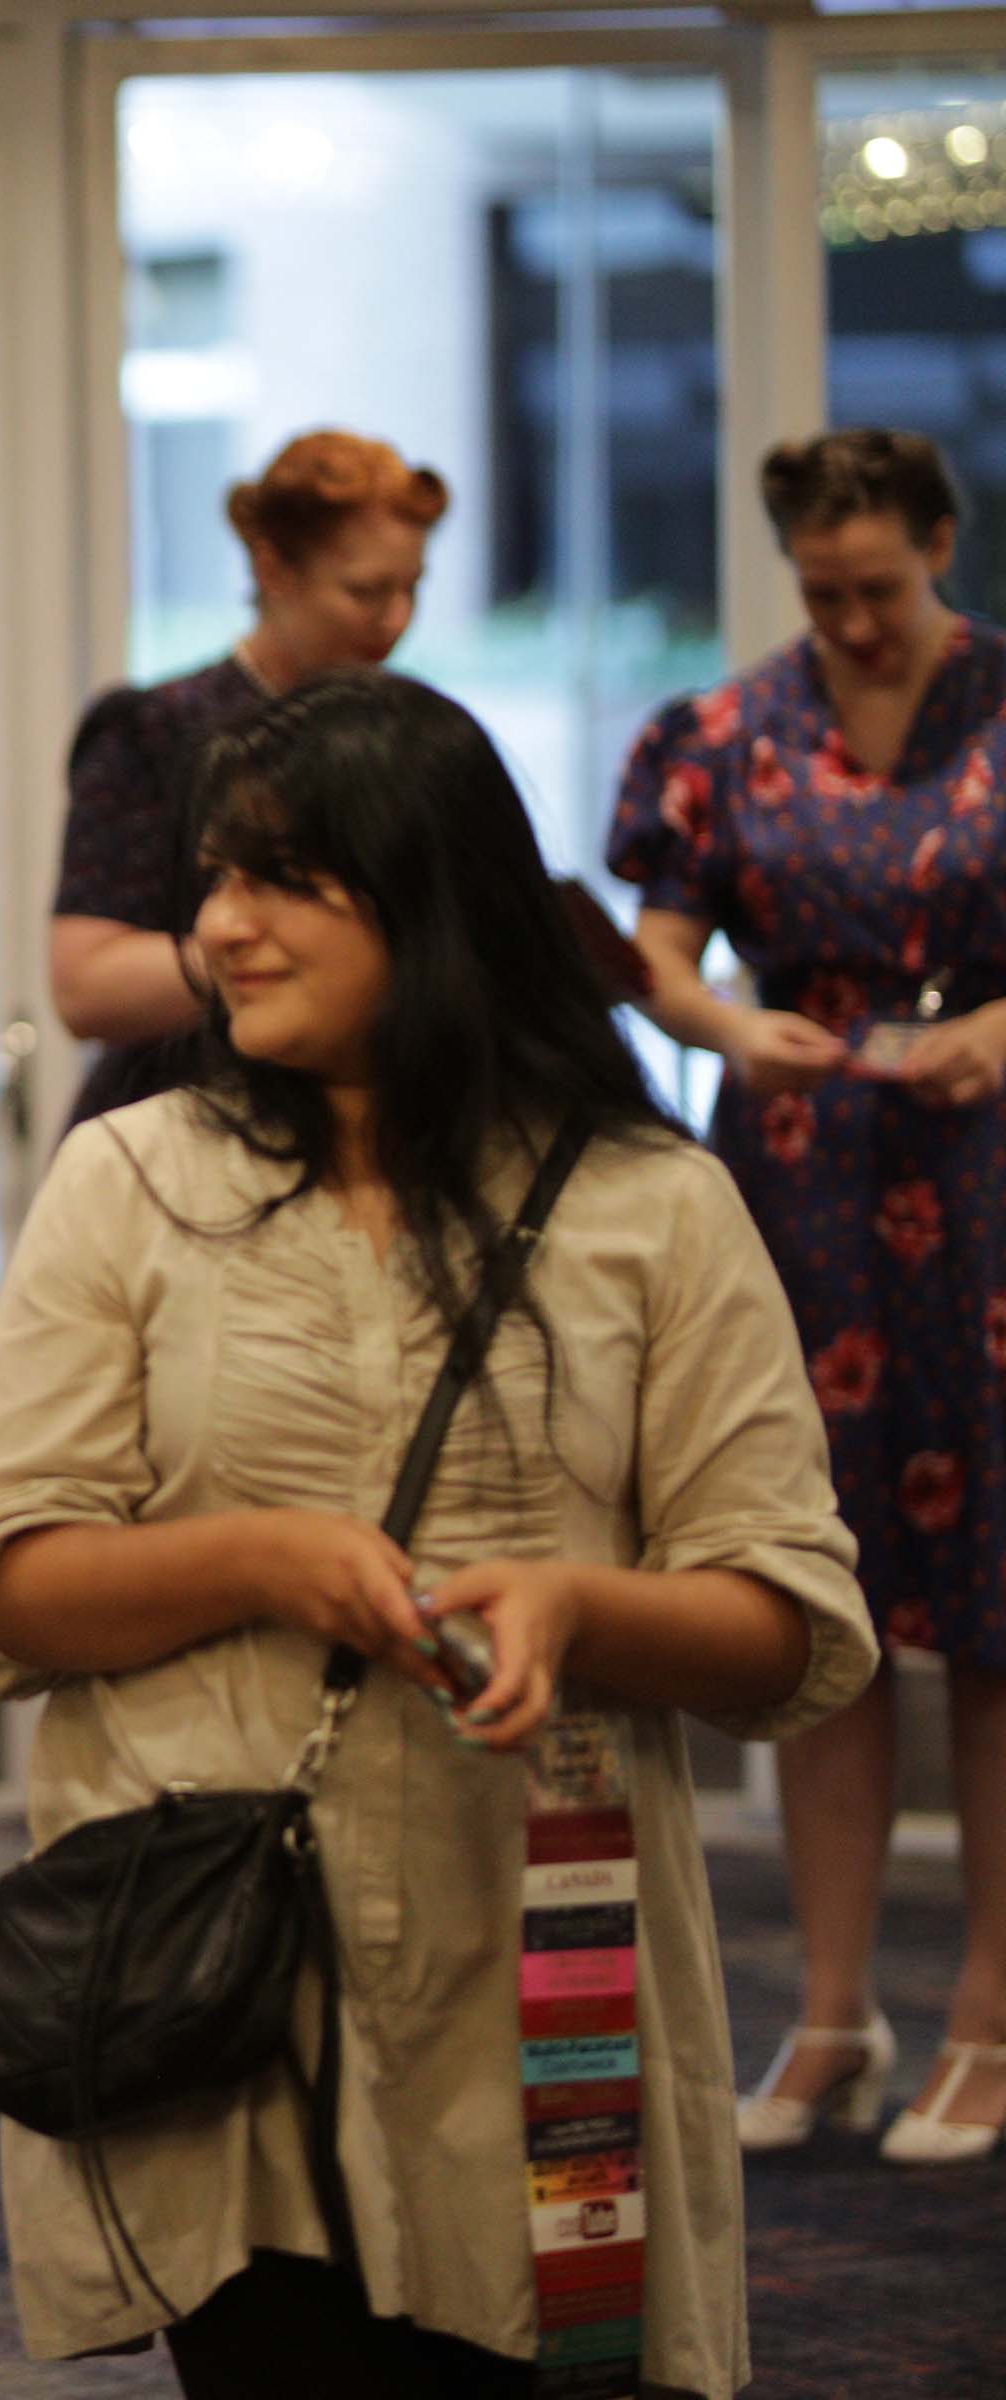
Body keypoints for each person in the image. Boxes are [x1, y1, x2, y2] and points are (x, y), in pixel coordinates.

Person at [0, 670, 873, 2396]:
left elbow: (792, 1626)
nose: (222, 928)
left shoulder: (651, 1207)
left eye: (284, 879)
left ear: (432, 896)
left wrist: (581, 1609)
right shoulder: (131, 1180)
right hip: (219, 1982)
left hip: (534, 1960)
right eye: (211, 879)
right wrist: (263, 1563)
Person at [609, 426, 1006, 2167]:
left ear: (941, 544)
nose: (851, 620)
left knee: (996, 1618)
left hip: (989, 1174)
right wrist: (709, 1024)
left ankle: (988, 2013)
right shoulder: (721, 729)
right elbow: (658, 940)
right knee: (814, 1595)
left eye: (882, 586)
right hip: (802, 1173)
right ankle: (835, 2005)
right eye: (821, 591)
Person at [50, 430, 447, 1126]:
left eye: (412, 589)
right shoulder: (155, 731)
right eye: (366, 592)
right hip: (178, 1130)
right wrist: (313, 956)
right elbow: (86, 988)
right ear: (272, 570)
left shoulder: (408, 739)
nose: (397, 621)